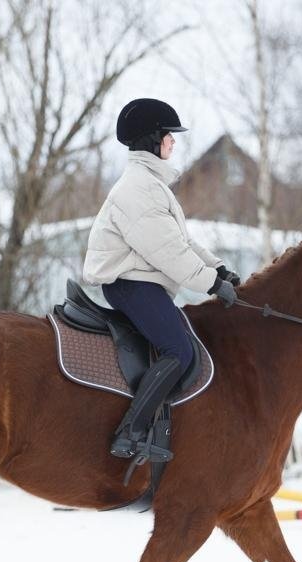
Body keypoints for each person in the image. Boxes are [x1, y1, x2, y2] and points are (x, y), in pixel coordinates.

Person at [82, 97, 239, 463]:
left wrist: (218, 269)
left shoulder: (151, 185)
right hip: (131, 284)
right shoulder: (137, 189)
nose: (173, 143)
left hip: (144, 281)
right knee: (179, 351)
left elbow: (182, 241)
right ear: (152, 139)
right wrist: (211, 285)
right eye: (169, 136)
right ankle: (131, 431)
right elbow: (167, 252)